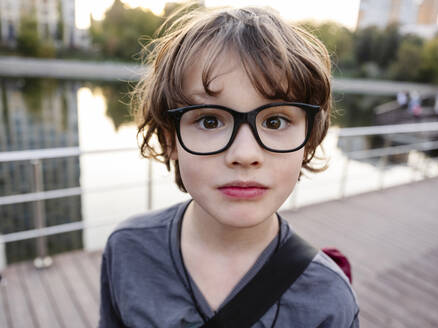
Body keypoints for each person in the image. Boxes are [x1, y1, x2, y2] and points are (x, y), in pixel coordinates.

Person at [99, 5, 359, 328]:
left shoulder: (328, 299)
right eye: (209, 120)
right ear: (170, 139)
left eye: (275, 121)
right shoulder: (128, 251)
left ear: (308, 140)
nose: (245, 153)